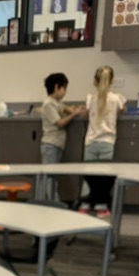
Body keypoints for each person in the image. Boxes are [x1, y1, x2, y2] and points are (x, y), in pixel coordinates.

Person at [78, 65, 127, 217]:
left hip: (91, 142)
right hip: (107, 142)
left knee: (89, 176)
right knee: (103, 177)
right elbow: (123, 110)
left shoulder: (90, 98)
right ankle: (101, 207)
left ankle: (85, 205)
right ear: (111, 81)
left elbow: (85, 115)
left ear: (95, 82)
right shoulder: (117, 98)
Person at [39, 72, 82, 200]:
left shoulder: (56, 103)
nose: (65, 92)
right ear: (57, 87)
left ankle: (46, 202)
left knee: (51, 176)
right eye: (64, 88)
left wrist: (75, 110)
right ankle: (53, 203)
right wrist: (73, 115)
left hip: (56, 145)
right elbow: (59, 123)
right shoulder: (49, 104)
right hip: (50, 144)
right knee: (49, 177)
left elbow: (65, 109)